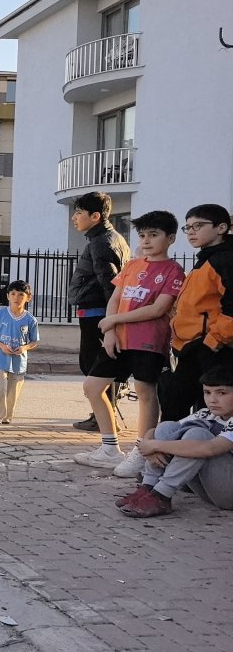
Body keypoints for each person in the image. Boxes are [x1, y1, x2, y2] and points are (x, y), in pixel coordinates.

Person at [73, 211, 185, 473]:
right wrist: (111, 330)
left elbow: (158, 309)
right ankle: (110, 448)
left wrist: (114, 320)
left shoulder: (174, 270)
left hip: (149, 341)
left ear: (170, 238)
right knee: (92, 386)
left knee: (146, 393)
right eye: (142, 235)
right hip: (119, 339)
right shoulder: (132, 265)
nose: (146, 240)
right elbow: (115, 298)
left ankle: (141, 451)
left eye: (153, 235)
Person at [117, 366, 233, 517]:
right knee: (167, 427)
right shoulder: (208, 414)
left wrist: (154, 445)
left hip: (229, 493)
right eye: (207, 392)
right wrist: (149, 444)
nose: (213, 399)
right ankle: (149, 487)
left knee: (198, 435)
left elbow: (209, 448)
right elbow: (159, 431)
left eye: (222, 393)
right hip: (212, 490)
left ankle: (162, 495)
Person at [160, 204, 233, 422]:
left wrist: (214, 341)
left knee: (207, 408)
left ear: (221, 228)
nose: (191, 231)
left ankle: (176, 450)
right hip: (193, 345)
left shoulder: (225, 260)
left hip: (212, 347)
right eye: (188, 227)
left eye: (198, 225)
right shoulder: (206, 259)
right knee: (176, 400)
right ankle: (170, 449)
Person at [67, 191, 131, 432]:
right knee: (97, 365)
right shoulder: (108, 238)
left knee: (94, 366)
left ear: (95, 216)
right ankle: (102, 414)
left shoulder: (101, 242)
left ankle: (102, 417)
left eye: (79, 213)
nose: (74, 218)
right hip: (96, 312)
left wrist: (111, 321)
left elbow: (110, 284)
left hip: (98, 314)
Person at [0, 280, 39, 424]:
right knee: (0, 388)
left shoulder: (30, 320)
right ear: (8, 296)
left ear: (28, 297)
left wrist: (24, 348)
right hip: (1, 357)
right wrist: (1, 346)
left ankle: (8, 416)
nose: (16, 298)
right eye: (13, 294)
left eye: (21, 294)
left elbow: (34, 341)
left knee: (13, 391)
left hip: (19, 360)